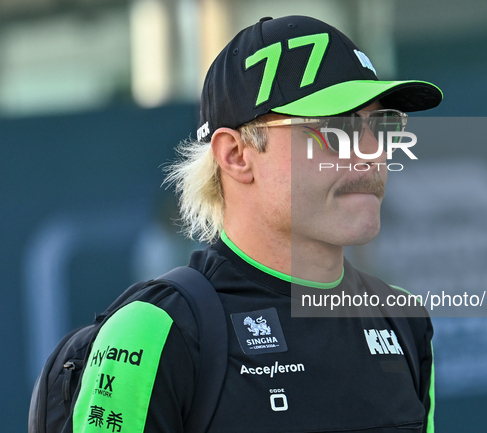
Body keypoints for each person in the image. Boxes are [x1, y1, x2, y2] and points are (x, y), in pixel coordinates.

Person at [71, 15, 442, 433]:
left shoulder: (402, 318)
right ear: (235, 155)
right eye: (337, 127)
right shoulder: (156, 330)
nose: (373, 153)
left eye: (380, 126)